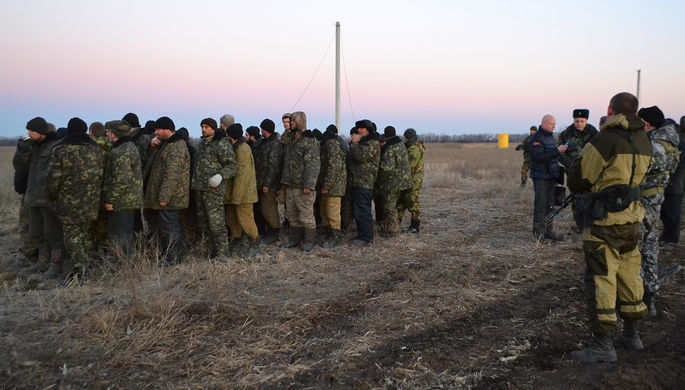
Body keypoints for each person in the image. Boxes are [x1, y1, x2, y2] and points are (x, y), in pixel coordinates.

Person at [567, 92, 652, 363]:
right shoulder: (644, 140)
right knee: (630, 276)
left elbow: (581, 176)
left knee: (600, 279)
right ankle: (632, 334)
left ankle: (603, 344)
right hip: (633, 220)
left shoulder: (605, 139)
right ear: (636, 113)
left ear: (610, 110)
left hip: (605, 222)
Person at [47, 117, 105, 279]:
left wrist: (52, 197)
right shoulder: (97, 150)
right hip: (91, 202)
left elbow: (53, 180)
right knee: (84, 234)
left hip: (69, 203)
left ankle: (81, 271)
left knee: (72, 237)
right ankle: (87, 264)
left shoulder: (61, 150)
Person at [636, 106, 680, 317]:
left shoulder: (653, 147)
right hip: (656, 202)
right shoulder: (670, 144)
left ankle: (636, 299)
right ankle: (651, 298)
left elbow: (637, 174)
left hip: (643, 203)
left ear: (647, 124)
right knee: (651, 249)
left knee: (635, 252)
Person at [16, 117, 63, 276]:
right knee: (37, 233)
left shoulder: (55, 147)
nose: (29, 133)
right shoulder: (31, 147)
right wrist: (22, 152)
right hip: (33, 198)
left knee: (53, 234)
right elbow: (21, 168)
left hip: (48, 199)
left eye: (32, 131)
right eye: (28, 130)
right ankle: (42, 263)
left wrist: (54, 195)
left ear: (41, 132)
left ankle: (55, 265)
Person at [144, 116, 190, 265]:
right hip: (161, 197)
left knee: (170, 229)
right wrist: (152, 147)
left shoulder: (177, 146)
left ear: (167, 129)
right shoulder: (165, 144)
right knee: (164, 229)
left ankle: (173, 259)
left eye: (158, 129)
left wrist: (164, 197)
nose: (155, 132)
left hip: (170, 199)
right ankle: (166, 256)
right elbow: (153, 165)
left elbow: (172, 174)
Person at [191, 118, 237, 260]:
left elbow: (232, 166)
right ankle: (210, 252)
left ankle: (223, 254)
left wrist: (220, 175)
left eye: (206, 127)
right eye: (202, 126)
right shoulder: (201, 144)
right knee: (203, 223)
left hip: (213, 191)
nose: (203, 129)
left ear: (213, 128)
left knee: (216, 224)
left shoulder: (222, 144)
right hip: (199, 189)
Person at [102, 120, 144, 257]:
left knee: (120, 235)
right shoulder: (124, 147)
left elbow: (122, 179)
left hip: (123, 201)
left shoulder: (123, 150)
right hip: (125, 199)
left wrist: (110, 199)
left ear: (114, 133)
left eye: (107, 131)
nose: (106, 134)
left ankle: (123, 264)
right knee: (122, 234)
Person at [280, 111, 320, 250]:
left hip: (303, 186)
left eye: (292, 121)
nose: (290, 124)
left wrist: (309, 184)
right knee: (291, 214)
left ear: (299, 122)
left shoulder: (308, 141)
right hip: (291, 185)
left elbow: (312, 165)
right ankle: (295, 240)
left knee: (306, 215)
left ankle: (309, 241)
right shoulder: (291, 140)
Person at [558, 109, 599, 234]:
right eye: (576, 121)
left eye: (582, 121)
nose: (579, 124)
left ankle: (591, 224)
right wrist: (571, 166)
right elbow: (560, 153)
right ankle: (579, 225)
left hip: (591, 172)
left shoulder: (593, 133)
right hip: (573, 173)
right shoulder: (566, 134)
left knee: (592, 197)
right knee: (576, 199)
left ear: (586, 120)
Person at [527, 115, 567, 242]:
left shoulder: (550, 137)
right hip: (540, 177)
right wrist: (557, 151)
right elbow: (538, 157)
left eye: (555, 124)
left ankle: (548, 231)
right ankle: (539, 234)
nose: (554, 126)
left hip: (551, 176)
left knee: (550, 205)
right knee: (541, 205)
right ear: (544, 123)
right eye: (551, 124)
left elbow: (551, 156)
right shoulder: (536, 138)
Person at [225, 123, 260, 257]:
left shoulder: (242, 149)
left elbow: (242, 175)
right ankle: (237, 239)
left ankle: (255, 243)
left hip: (243, 194)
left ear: (231, 136)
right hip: (234, 193)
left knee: (246, 220)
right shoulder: (235, 147)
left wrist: (237, 197)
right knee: (231, 218)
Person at [349, 119, 381, 246]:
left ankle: (366, 238)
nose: (359, 131)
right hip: (358, 182)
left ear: (367, 130)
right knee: (359, 211)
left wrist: (354, 144)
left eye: (361, 128)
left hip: (365, 183)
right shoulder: (365, 143)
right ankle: (362, 234)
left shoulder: (372, 143)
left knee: (363, 211)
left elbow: (360, 156)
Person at [377, 126, 412, 237]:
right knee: (394, 207)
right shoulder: (401, 144)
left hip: (393, 183)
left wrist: (378, 178)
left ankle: (392, 232)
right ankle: (391, 229)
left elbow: (387, 169)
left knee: (389, 208)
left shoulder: (390, 148)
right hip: (403, 181)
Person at [254, 119, 283, 244]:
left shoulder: (275, 145)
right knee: (263, 209)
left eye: (263, 129)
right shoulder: (264, 143)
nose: (261, 131)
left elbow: (273, 167)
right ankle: (267, 231)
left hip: (270, 185)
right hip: (261, 182)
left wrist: (267, 184)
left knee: (269, 209)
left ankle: (274, 232)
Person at [317, 125, 346, 247]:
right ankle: (329, 233)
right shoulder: (328, 145)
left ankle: (335, 236)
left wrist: (326, 186)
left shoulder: (331, 146)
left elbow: (333, 168)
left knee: (332, 211)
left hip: (334, 187)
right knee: (325, 211)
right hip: (329, 186)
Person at [659, 115, 685, 246]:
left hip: (675, 183)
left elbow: (679, 164)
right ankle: (668, 236)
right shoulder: (674, 142)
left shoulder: (679, 143)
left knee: (672, 211)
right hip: (672, 182)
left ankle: (672, 237)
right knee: (667, 211)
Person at [397, 128, 425, 233]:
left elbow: (409, 166)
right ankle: (395, 225)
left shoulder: (414, 149)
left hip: (413, 180)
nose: (403, 139)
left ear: (408, 137)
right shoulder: (411, 146)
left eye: (404, 137)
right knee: (401, 201)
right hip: (408, 179)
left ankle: (415, 227)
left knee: (412, 202)